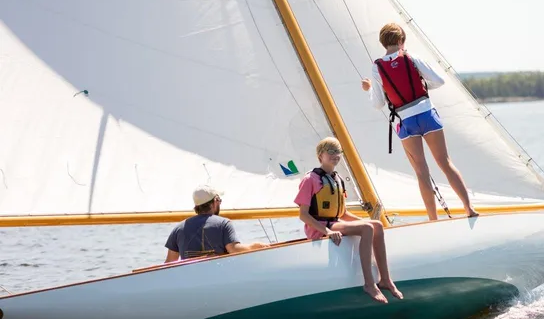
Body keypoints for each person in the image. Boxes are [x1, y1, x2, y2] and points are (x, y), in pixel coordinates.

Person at [361, 22, 478, 220]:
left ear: (383, 43)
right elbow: (439, 81)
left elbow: (378, 103)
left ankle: (433, 219)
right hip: (426, 113)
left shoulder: (377, 67)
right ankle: (469, 209)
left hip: (405, 121)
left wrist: (369, 89)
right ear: (401, 41)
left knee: (421, 171)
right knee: (445, 163)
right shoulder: (411, 57)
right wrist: (421, 85)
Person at [294, 137, 403, 304]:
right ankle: (369, 284)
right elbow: (303, 215)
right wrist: (328, 232)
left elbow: (342, 213)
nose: (335, 155)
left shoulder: (337, 179)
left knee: (377, 225)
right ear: (320, 155)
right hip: (321, 226)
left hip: (335, 222)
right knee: (367, 229)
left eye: (338, 152)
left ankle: (385, 280)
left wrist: (364, 221)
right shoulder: (310, 179)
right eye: (330, 151)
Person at [164, 185, 269, 263]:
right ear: (214, 202)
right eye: (219, 200)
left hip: (190, 282)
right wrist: (255, 246)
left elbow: (169, 262)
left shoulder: (178, 228)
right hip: (220, 278)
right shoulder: (224, 223)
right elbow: (234, 249)